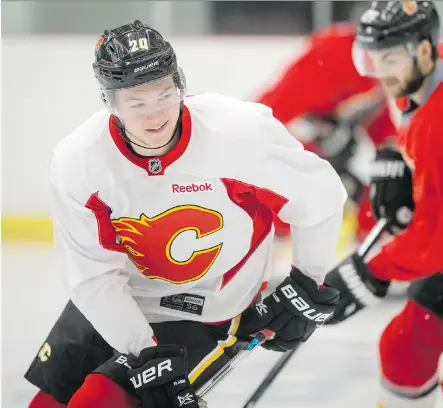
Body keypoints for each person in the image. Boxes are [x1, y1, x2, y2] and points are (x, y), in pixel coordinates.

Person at [24, 20, 345, 408]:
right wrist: (143, 352)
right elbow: (93, 276)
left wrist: (307, 280)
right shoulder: (80, 162)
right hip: (118, 301)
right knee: (45, 404)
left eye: (163, 94)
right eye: (136, 103)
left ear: (180, 83)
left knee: (97, 402)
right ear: (110, 102)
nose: (155, 115)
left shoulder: (239, 134)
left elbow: (320, 196)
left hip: (206, 312)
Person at [323, 1, 443, 407]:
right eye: (372, 59)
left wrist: (366, 274)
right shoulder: (418, 81)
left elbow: (434, 239)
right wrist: (403, 165)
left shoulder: (436, 120)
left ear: (425, 50)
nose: (380, 72)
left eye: (389, 58)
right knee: (405, 348)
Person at [254, 18, 398, 242]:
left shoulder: (386, 69)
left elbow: (381, 124)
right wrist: (318, 134)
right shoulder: (335, 53)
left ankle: (371, 241)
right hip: (283, 140)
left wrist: (393, 156)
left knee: (390, 178)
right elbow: (271, 116)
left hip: (326, 137)